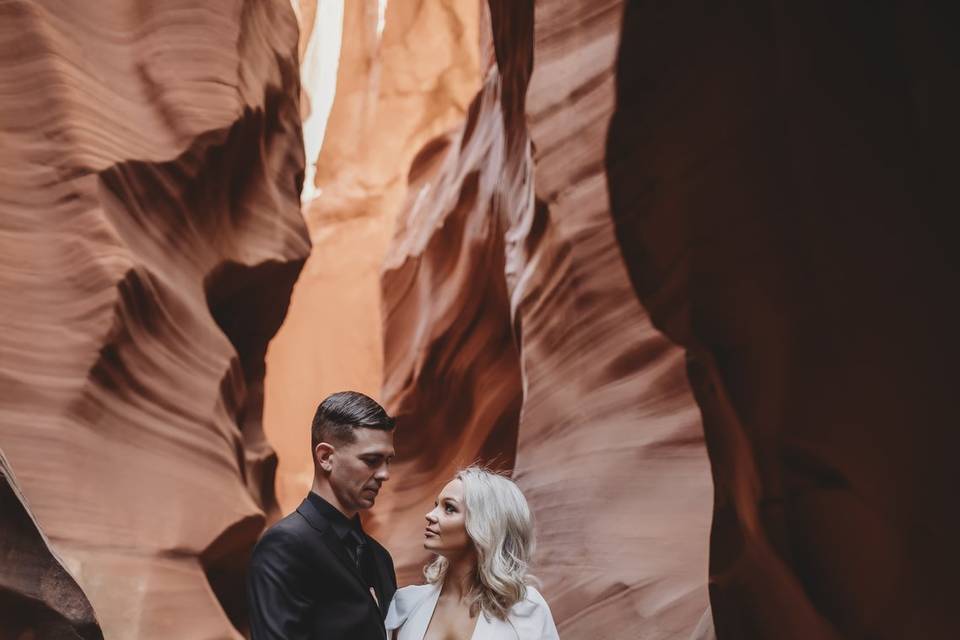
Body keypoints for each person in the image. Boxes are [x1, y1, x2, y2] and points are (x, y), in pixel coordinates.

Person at [247, 391, 398, 640]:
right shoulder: (284, 547)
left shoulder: (380, 557)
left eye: (388, 461)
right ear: (326, 457)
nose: (384, 474)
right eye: (372, 460)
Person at [385, 467, 559, 639]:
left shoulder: (526, 609)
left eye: (449, 508)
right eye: (436, 505)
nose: (430, 515)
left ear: (485, 524)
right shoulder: (406, 604)